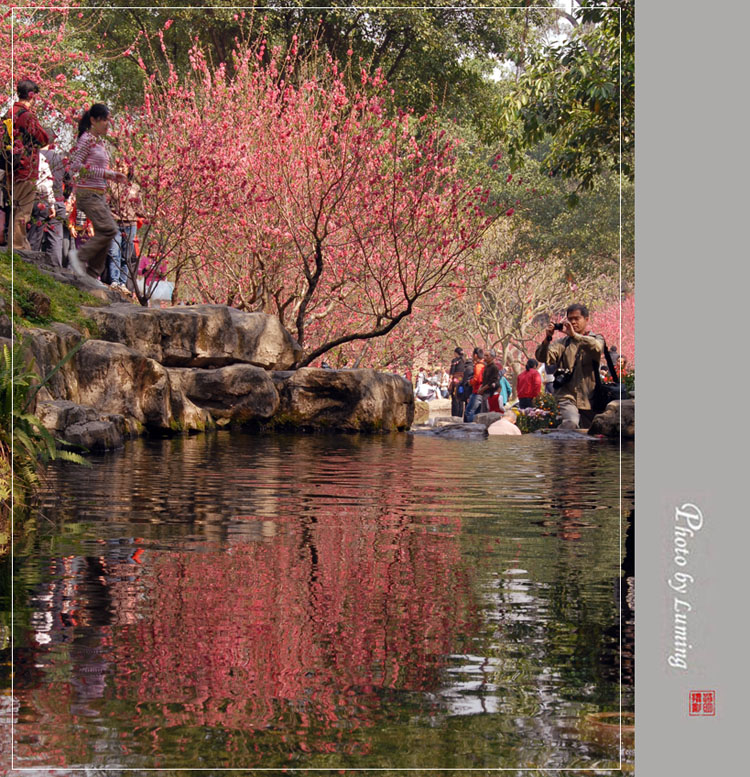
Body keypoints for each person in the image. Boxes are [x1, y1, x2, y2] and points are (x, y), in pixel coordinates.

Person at [67, 104, 127, 280]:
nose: (107, 124)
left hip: (99, 194)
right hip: (87, 193)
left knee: (109, 231)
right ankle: (79, 256)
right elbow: (75, 167)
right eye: (104, 120)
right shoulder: (86, 139)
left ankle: (92, 275)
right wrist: (106, 174)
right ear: (93, 120)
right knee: (109, 229)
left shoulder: (99, 142)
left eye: (108, 120)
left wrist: (110, 175)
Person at [535, 303, 605, 430]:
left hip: (590, 397)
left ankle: (560, 445)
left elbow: (597, 348)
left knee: (592, 434)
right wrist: (547, 338)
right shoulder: (562, 343)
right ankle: (563, 447)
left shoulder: (596, 338)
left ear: (586, 319)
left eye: (576, 318)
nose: (573, 322)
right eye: (570, 319)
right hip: (567, 396)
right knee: (571, 423)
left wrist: (575, 336)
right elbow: (542, 357)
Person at [5, 80, 50, 251]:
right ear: (33, 96)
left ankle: (20, 243)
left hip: (11, 165)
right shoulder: (26, 115)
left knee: (15, 207)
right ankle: (17, 246)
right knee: (23, 210)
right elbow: (43, 138)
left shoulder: (10, 112)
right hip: (25, 168)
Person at [107, 160, 143, 293]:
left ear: (129, 170)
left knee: (126, 256)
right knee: (113, 252)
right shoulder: (111, 185)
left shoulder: (135, 188)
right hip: (115, 222)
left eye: (123, 167)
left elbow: (139, 208)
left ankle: (122, 283)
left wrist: (151, 214)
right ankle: (114, 281)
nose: (120, 169)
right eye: (118, 166)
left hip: (130, 224)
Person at [463, 347, 485, 422]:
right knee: (477, 413)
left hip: (477, 392)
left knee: (468, 412)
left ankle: (472, 428)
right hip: (483, 391)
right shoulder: (485, 365)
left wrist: (469, 382)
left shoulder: (478, 366)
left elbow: (477, 379)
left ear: (475, 355)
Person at [477, 349, 500, 413]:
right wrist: (480, 388)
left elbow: (492, 381)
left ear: (492, 357)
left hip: (490, 393)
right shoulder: (486, 367)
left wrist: (482, 389)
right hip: (484, 392)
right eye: (484, 355)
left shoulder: (494, 367)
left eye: (487, 356)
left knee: (487, 411)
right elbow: (484, 380)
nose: (485, 357)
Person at [448, 347, 465, 417]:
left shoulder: (455, 361)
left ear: (455, 353)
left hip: (456, 380)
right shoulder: (465, 360)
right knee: (461, 398)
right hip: (463, 380)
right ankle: (460, 414)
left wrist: (449, 383)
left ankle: (454, 414)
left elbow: (452, 372)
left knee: (455, 397)